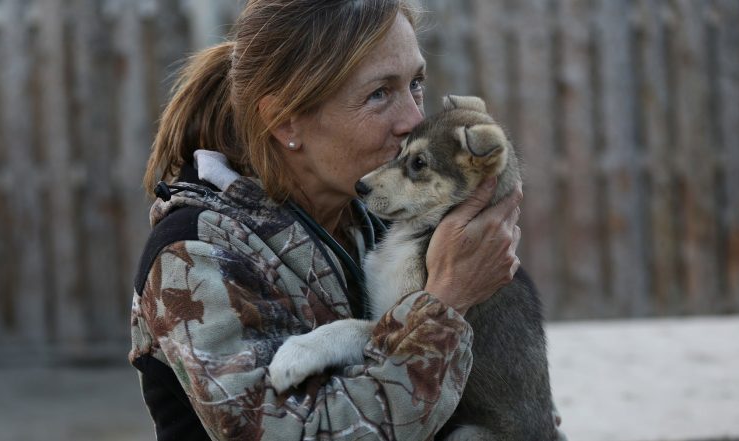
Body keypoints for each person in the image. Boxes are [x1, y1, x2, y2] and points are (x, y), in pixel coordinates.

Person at [129, 1, 523, 439]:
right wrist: (446, 305)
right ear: (285, 122)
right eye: (379, 94)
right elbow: (305, 432)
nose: (414, 120)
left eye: (416, 83)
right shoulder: (195, 256)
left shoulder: (367, 216)